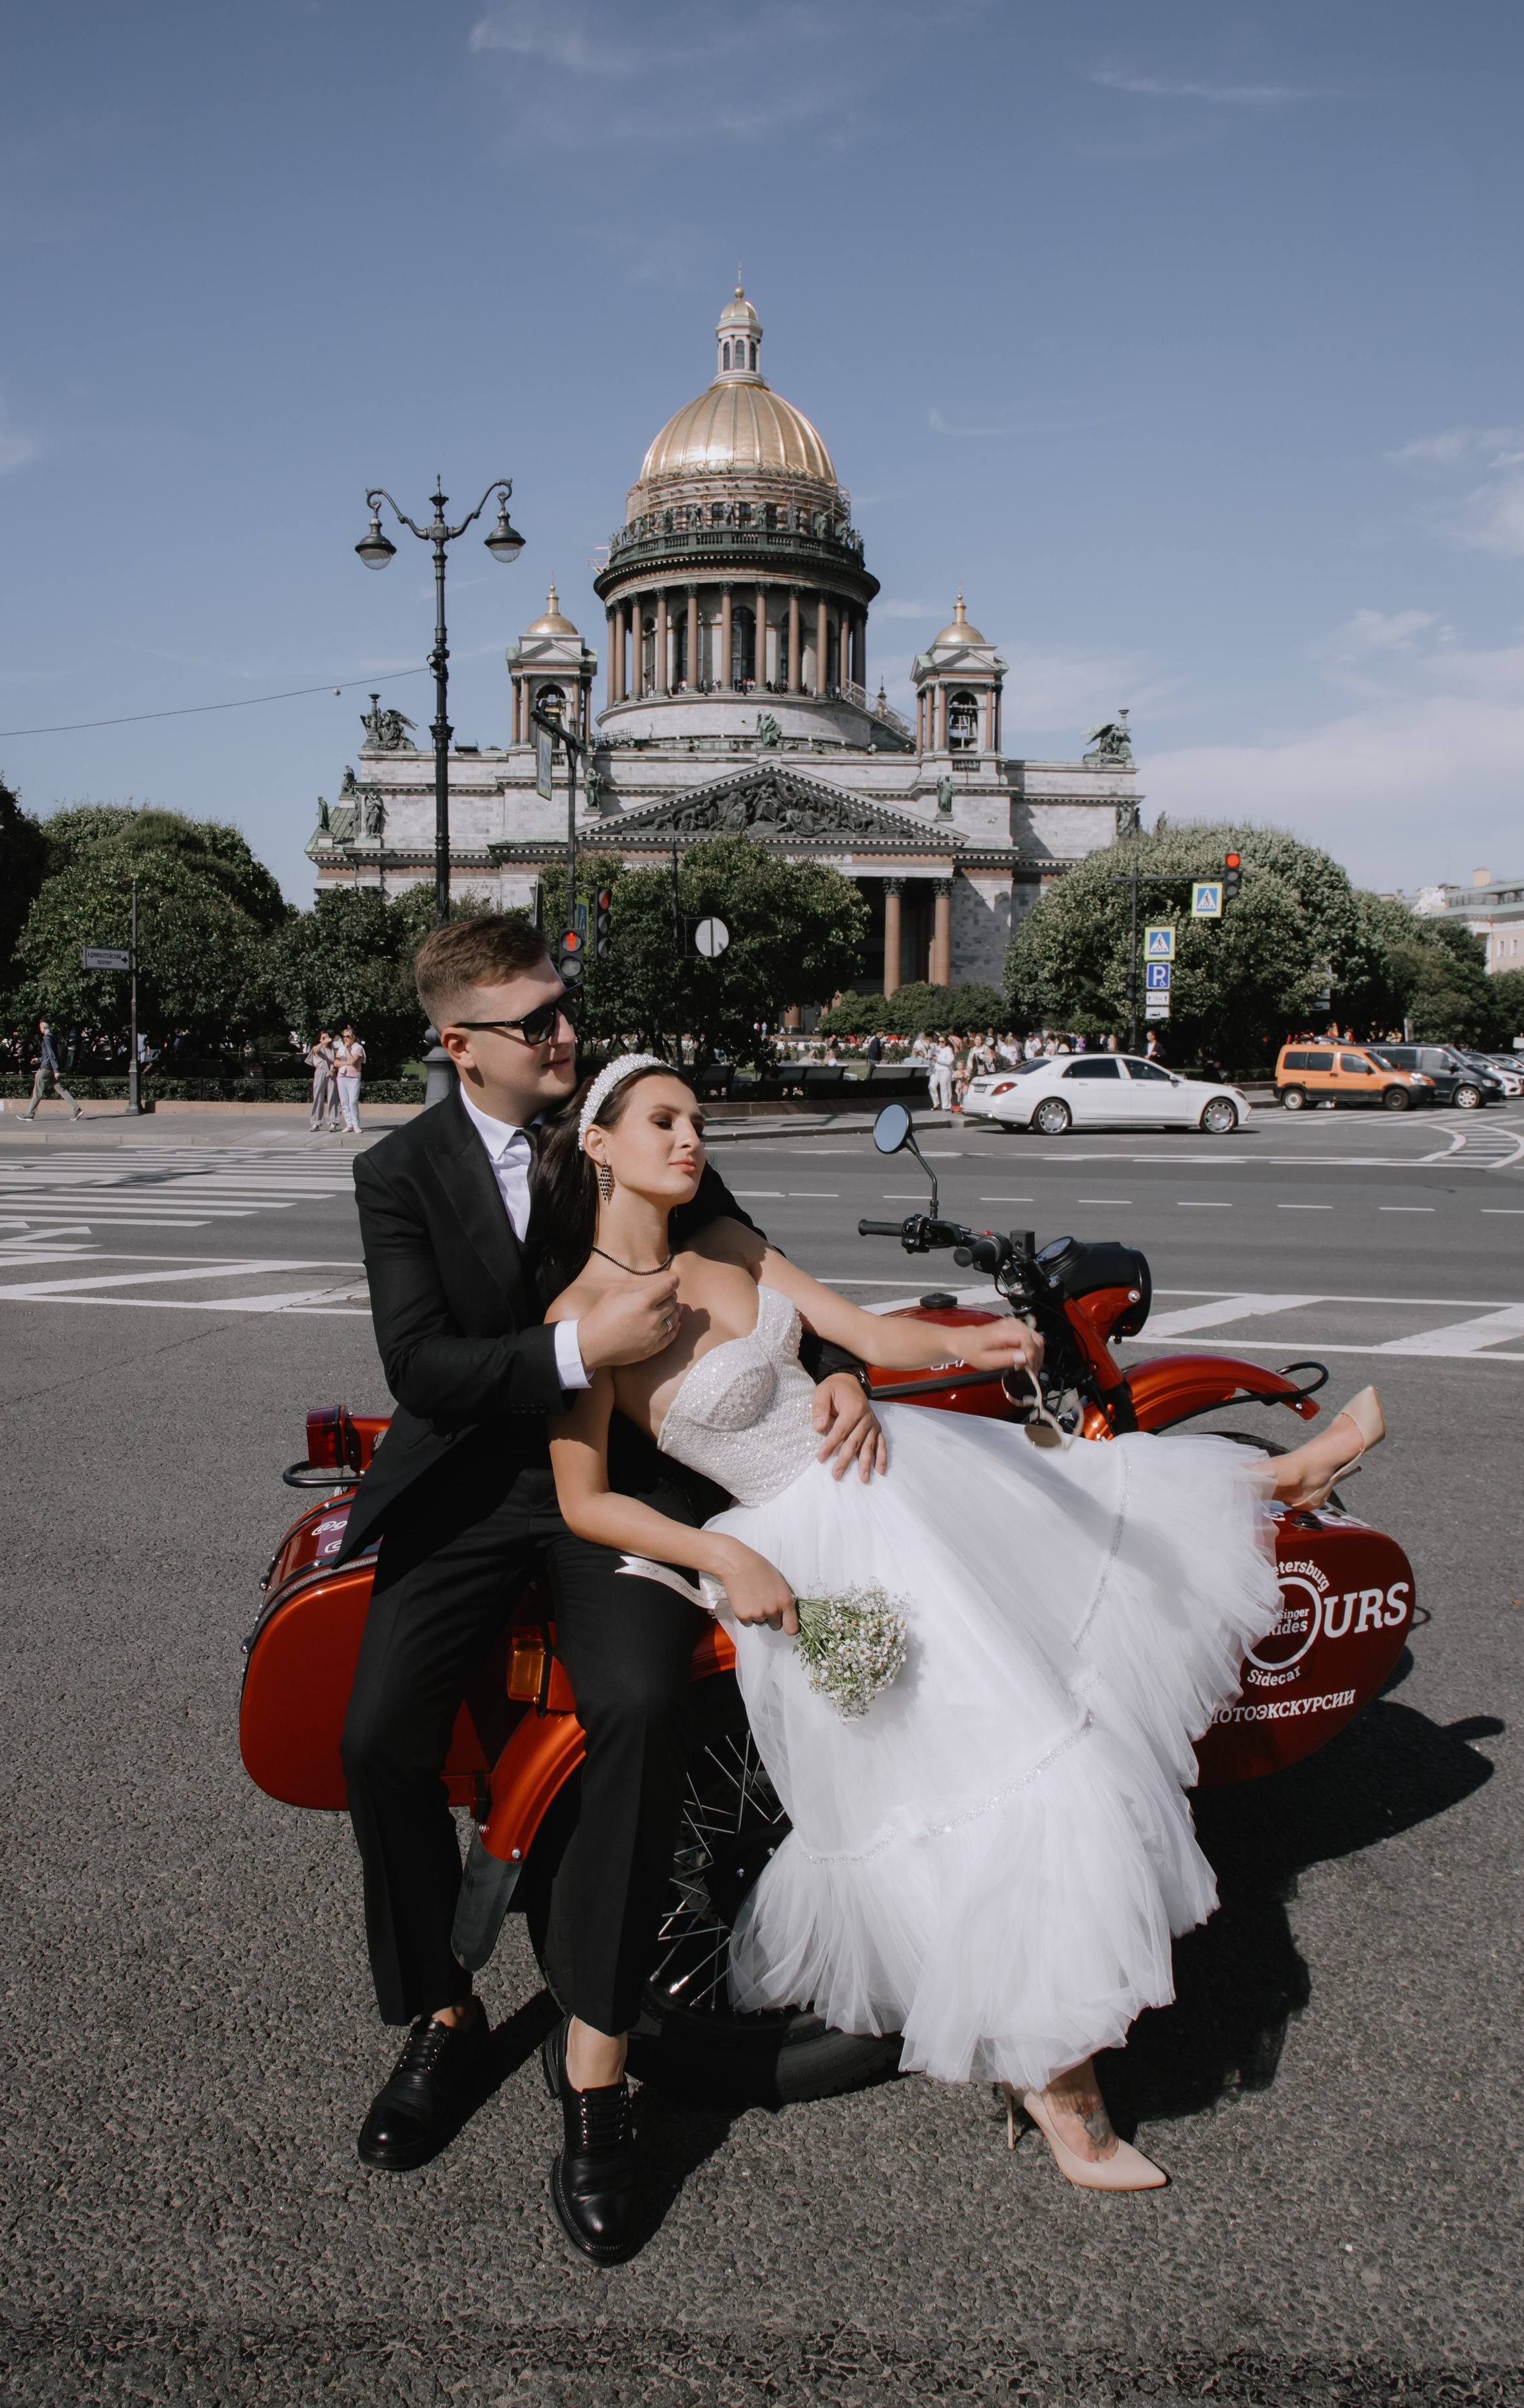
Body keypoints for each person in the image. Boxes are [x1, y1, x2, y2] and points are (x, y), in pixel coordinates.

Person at [540, 1061, 1389, 2195]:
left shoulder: (725, 1245)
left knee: (1084, 1527)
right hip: (811, 1542)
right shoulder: (579, 1315)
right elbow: (585, 1499)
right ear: (598, 1145)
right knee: (993, 1773)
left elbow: (865, 1338)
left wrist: (969, 1343)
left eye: (696, 1120)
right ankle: (1058, 2087)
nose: (691, 1138)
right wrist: (723, 1554)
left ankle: (1274, 1482)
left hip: (899, 1474)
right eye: (663, 1121)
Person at [334, 921, 882, 2265]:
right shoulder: (396, 1171)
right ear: (457, 1044)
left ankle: (595, 2062)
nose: (561, 1036)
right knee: (376, 1738)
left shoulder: (637, 1125)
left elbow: (760, 1284)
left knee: (639, 1705)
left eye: (564, 1011)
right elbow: (422, 1367)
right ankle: (445, 2009)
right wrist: (577, 1344)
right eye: (533, 1023)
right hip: (474, 1487)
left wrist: (840, 1368)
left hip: (623, 1490)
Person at [19, 1020, 81, 1121]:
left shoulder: (47, 1038)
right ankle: (77, 1109)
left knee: (37, 1092)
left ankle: (30, 1114)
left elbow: (51, 1055)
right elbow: (50, 1055)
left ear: (44, 1028)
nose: (40, 1029)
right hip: (51, 1067)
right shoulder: (53, 1037)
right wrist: (39, 1060)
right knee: (61, 1089)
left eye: (40, 1027)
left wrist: (56, 1070)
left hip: (47, 1069)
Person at [333, 1025, 366, 1133]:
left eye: (348, 1036)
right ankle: (349, 1124)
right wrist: (347, 1062)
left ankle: (356, 1125)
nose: (345, 1039)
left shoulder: (358, 1048)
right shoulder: (340, 1049)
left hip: (353, 1077)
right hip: (342, 1076)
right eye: (344, 1037)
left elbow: (354, 1062)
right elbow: (336, 1063)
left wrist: (347, 1050)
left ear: (353, 1037)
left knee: (353, 1101)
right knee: (344, 1102)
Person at [306, 1033, 335, 1133]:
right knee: (318, 1096)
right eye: (323, 1038)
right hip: (320, 1071)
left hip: (331, 1073)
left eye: (327, 1037)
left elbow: (334, 1061)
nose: (326, 1039)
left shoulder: (332, 1050)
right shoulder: (318, 1047)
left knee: (333, 1097)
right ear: (320, 1039)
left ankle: (333, 1122)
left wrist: (334, 1070)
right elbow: (315, 1051)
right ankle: (316, 1122)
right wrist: (322, 1043)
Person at [929, 1035, 956, 1111]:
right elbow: (931, 1056)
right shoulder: (936, 1048)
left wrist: (938, 1059)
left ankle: (946, 1106)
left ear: (946, 1042)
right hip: (936, 1070)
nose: (940, 1043)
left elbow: (949, 1061)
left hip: (945, 1070)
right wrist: (931, 1058)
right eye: (939, 1041)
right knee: (931, 1086)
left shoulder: (948, 1050)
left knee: (945, 1088)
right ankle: (936, 1103)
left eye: (942, 1041)